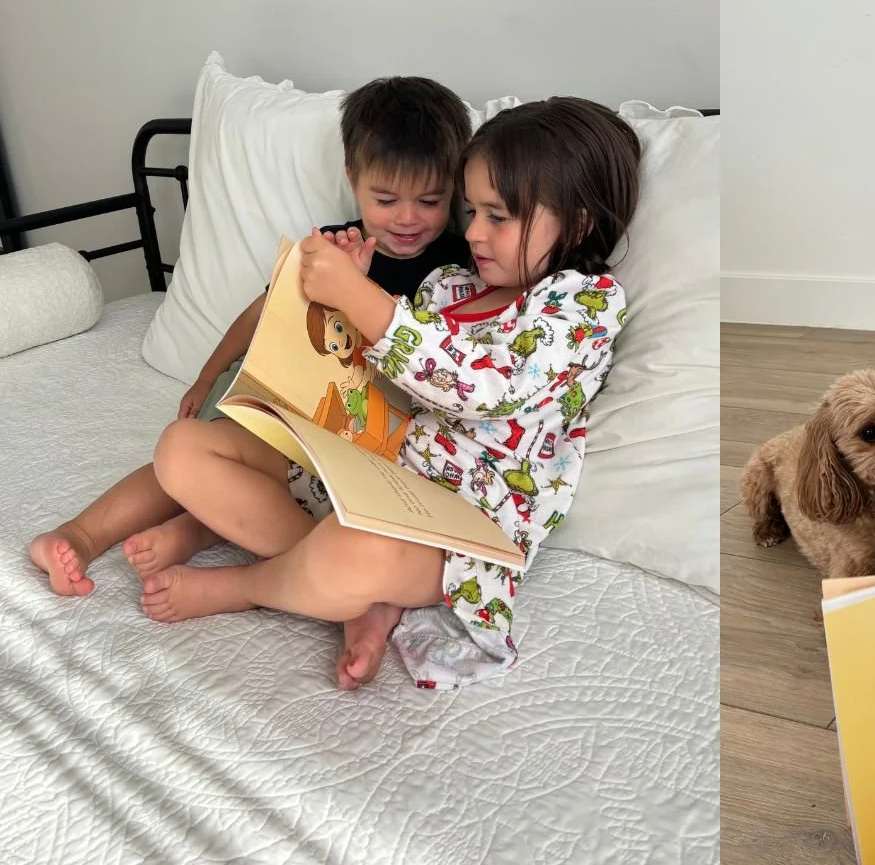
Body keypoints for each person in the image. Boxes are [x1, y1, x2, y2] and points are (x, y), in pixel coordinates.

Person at [138, 96, 641, 691]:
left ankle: (253, 586)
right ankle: (357, 600)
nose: (473, 233)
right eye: (471, 210)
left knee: (355, 555)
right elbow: (377, 378)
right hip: (371, 472)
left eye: (498, 217)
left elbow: (486, 387)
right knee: (184, 449)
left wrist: (365, 301)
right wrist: (335, 307)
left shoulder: (582, 302)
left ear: (578, 222)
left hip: (457, 524)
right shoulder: (450, 283)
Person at [28, 76, 472, 611]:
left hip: (366, 446)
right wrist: (205, 374)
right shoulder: (331, 247)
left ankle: (201, 536)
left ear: (455, 189)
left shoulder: (462, 267)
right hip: (294, 417)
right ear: (353, 179)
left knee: (276, 489)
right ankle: (79, 535)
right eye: (385, 198)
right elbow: (264, 311)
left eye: (430, 200)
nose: (407, 218)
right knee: (193, 452)